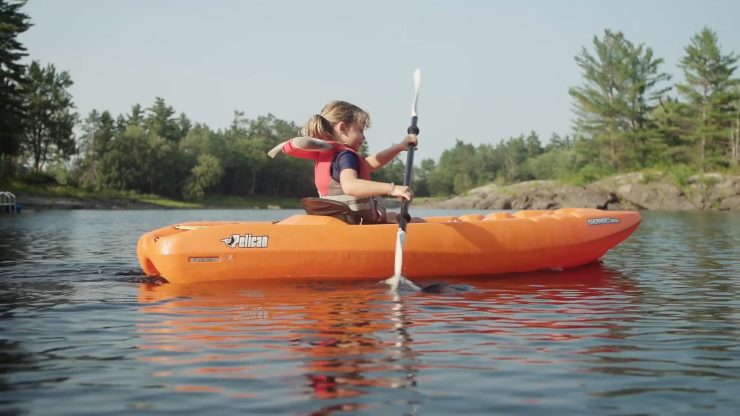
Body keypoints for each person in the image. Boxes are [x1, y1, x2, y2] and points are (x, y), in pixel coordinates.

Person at [267, 100, 417, 224]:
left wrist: (399, 147)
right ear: (343, 128)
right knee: (414, 221)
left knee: (394, 216)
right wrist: (393, 189)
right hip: (356, 223)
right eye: (360, 130)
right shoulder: (346, 156)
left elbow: (369, 164)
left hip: (341, 221)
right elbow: (350, 186)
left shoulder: (334, 155)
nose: (363, 137)